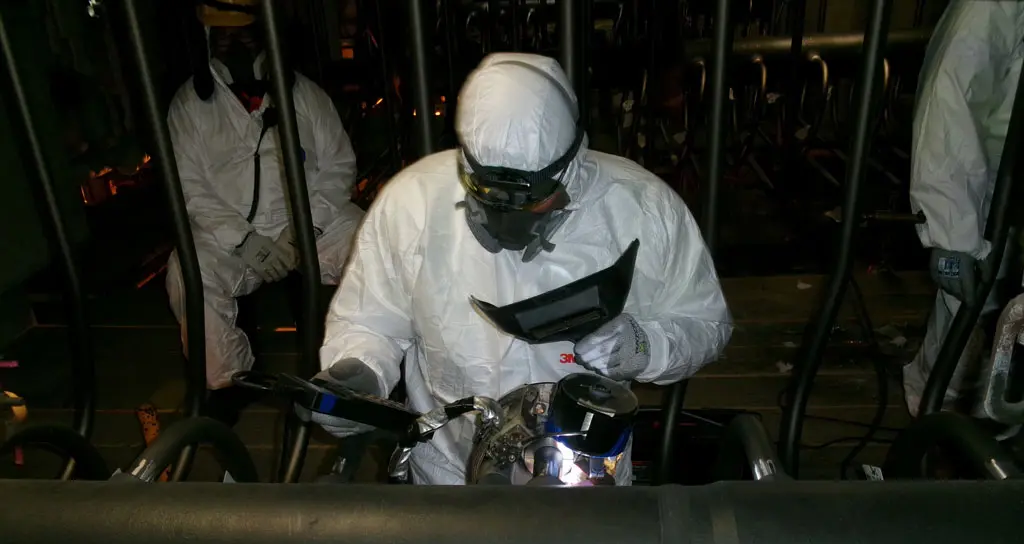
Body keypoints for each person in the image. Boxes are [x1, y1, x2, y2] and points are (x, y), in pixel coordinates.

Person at [314, 53, 732, 485]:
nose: (510, 222)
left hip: (584, 476)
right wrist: (359, 371)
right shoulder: (413, 204)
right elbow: (369, 319)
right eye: (491, 197)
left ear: (571, 163)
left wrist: (646, 346)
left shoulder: (641, 209)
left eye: (533, 200)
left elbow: (705, 322)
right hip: (450, 473)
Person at [165, 0, 364, 422]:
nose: (234, 46)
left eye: (244, 34)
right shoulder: (187, 107)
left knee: (371, 246)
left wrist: (304, 228)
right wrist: (242, 240)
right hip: (235, 238)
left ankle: (361, 367)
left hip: (308, 228)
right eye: (222, 36)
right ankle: (226, 381)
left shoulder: (305, 95)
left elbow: (339, 164)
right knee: (187, 272)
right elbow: (189, 188)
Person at [903, 0, 1024, 417]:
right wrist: (951, 234)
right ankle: (937, 420)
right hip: (995, 193)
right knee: (971, 313)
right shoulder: (993, 6)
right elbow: (950, 99)